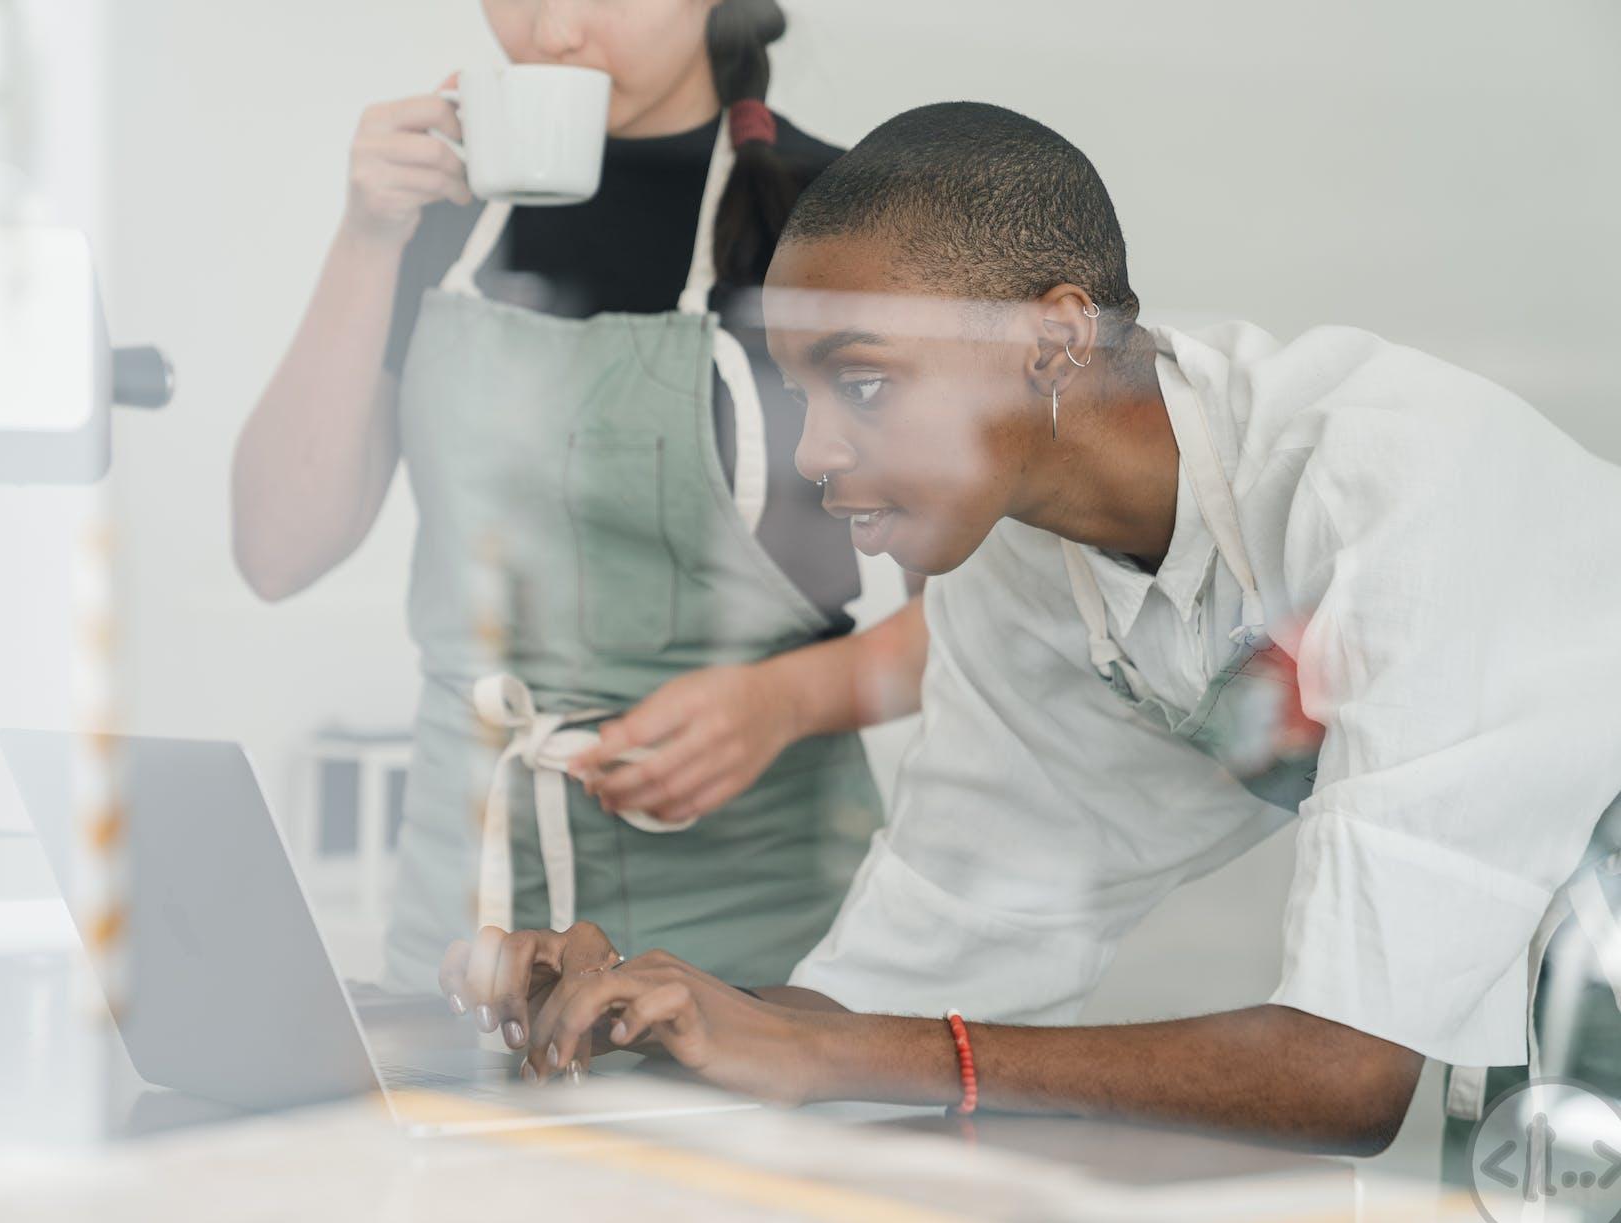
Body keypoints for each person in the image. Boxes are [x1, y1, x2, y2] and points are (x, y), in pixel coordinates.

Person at [437, 102, 1621, 1155]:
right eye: (798, 393)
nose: (810, 455)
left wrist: (836, 1058)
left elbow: (1344, 1074)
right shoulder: (1022, 579)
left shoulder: (1390, 482)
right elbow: (897, 985)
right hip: (1552, 1060)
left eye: (860, 382)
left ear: (1052, 338)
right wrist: (661, 1010)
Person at [233, 1, 928, 997]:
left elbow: (985, 624)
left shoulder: (838, 217)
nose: (550, 33)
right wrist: (366, 234)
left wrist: (783, 699)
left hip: (767, 948)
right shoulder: (436, 209)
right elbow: (275, 547)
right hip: (462, 928)